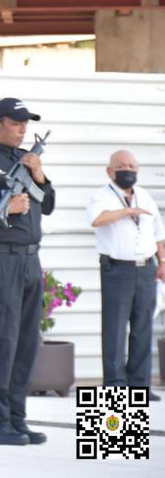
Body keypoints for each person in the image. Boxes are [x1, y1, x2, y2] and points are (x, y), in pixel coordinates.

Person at [0, 98, 54, 446]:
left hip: (30, 260)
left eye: (26, 123)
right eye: (16, 122)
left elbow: (47, 204)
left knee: (27, 343)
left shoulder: (27, 161)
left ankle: (16, 418)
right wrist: (3, 209)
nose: (23, 128)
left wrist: (39, 175)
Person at [87, 150, 165, 401]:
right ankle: (115, 385)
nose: (128, 170)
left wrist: (162, 261)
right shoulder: (102, 196)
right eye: (122, 166)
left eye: (132, 165)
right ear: (110, 171)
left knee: (143, 326)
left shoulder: (144, 197)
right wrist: (126, 212)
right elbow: (97, 220)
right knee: (115, 327)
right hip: (117, 269)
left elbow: (158, 234)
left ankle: (139, 384)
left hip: (146, 268)